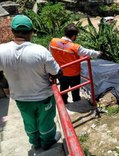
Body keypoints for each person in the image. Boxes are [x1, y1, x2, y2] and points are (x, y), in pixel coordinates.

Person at [0, 15, 62, 150]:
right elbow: (57, 72)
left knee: (29, 121)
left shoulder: (1, 50)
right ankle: (47, 142)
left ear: (12, 31)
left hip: (20, 98)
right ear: (32, 31)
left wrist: (5, 83)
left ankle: (35, 142)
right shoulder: (40, 51)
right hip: (43, 96)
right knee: (45, 121)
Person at [49, 23, 101, 104]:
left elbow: (51, 53)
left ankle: (64, 102)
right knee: (75, 89)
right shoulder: (74, 47)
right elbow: (88, 52)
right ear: (73, 36)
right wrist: (98, 53)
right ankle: (76, 102)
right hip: (73, 73)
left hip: (60, 71)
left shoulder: (53, 41)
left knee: (63, 87)